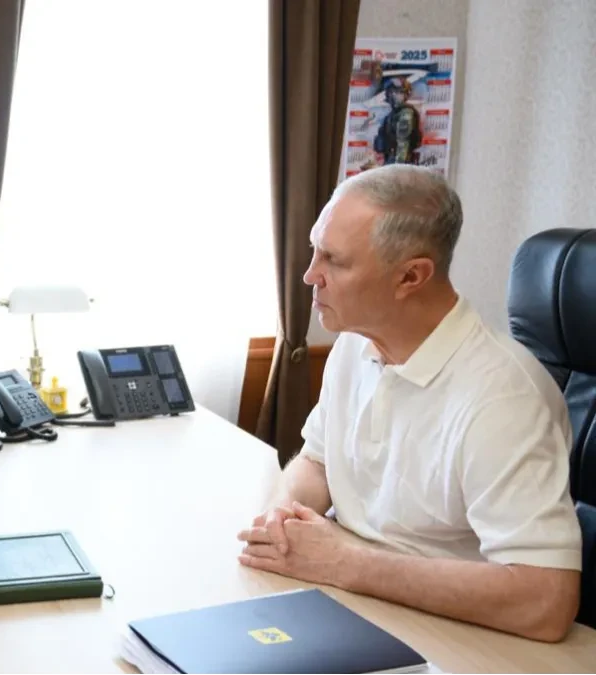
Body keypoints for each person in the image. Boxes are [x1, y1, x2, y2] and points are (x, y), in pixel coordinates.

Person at [238, 164, 583, 642]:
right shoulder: (355, 343)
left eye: (334, 260)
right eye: (315, 249)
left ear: (410, 277)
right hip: (356, 605)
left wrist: (346, 564)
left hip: (456, 638)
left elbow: (545, 600)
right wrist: (282, 516)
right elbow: (318, 462)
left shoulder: (504, 397)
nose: (309, 274)